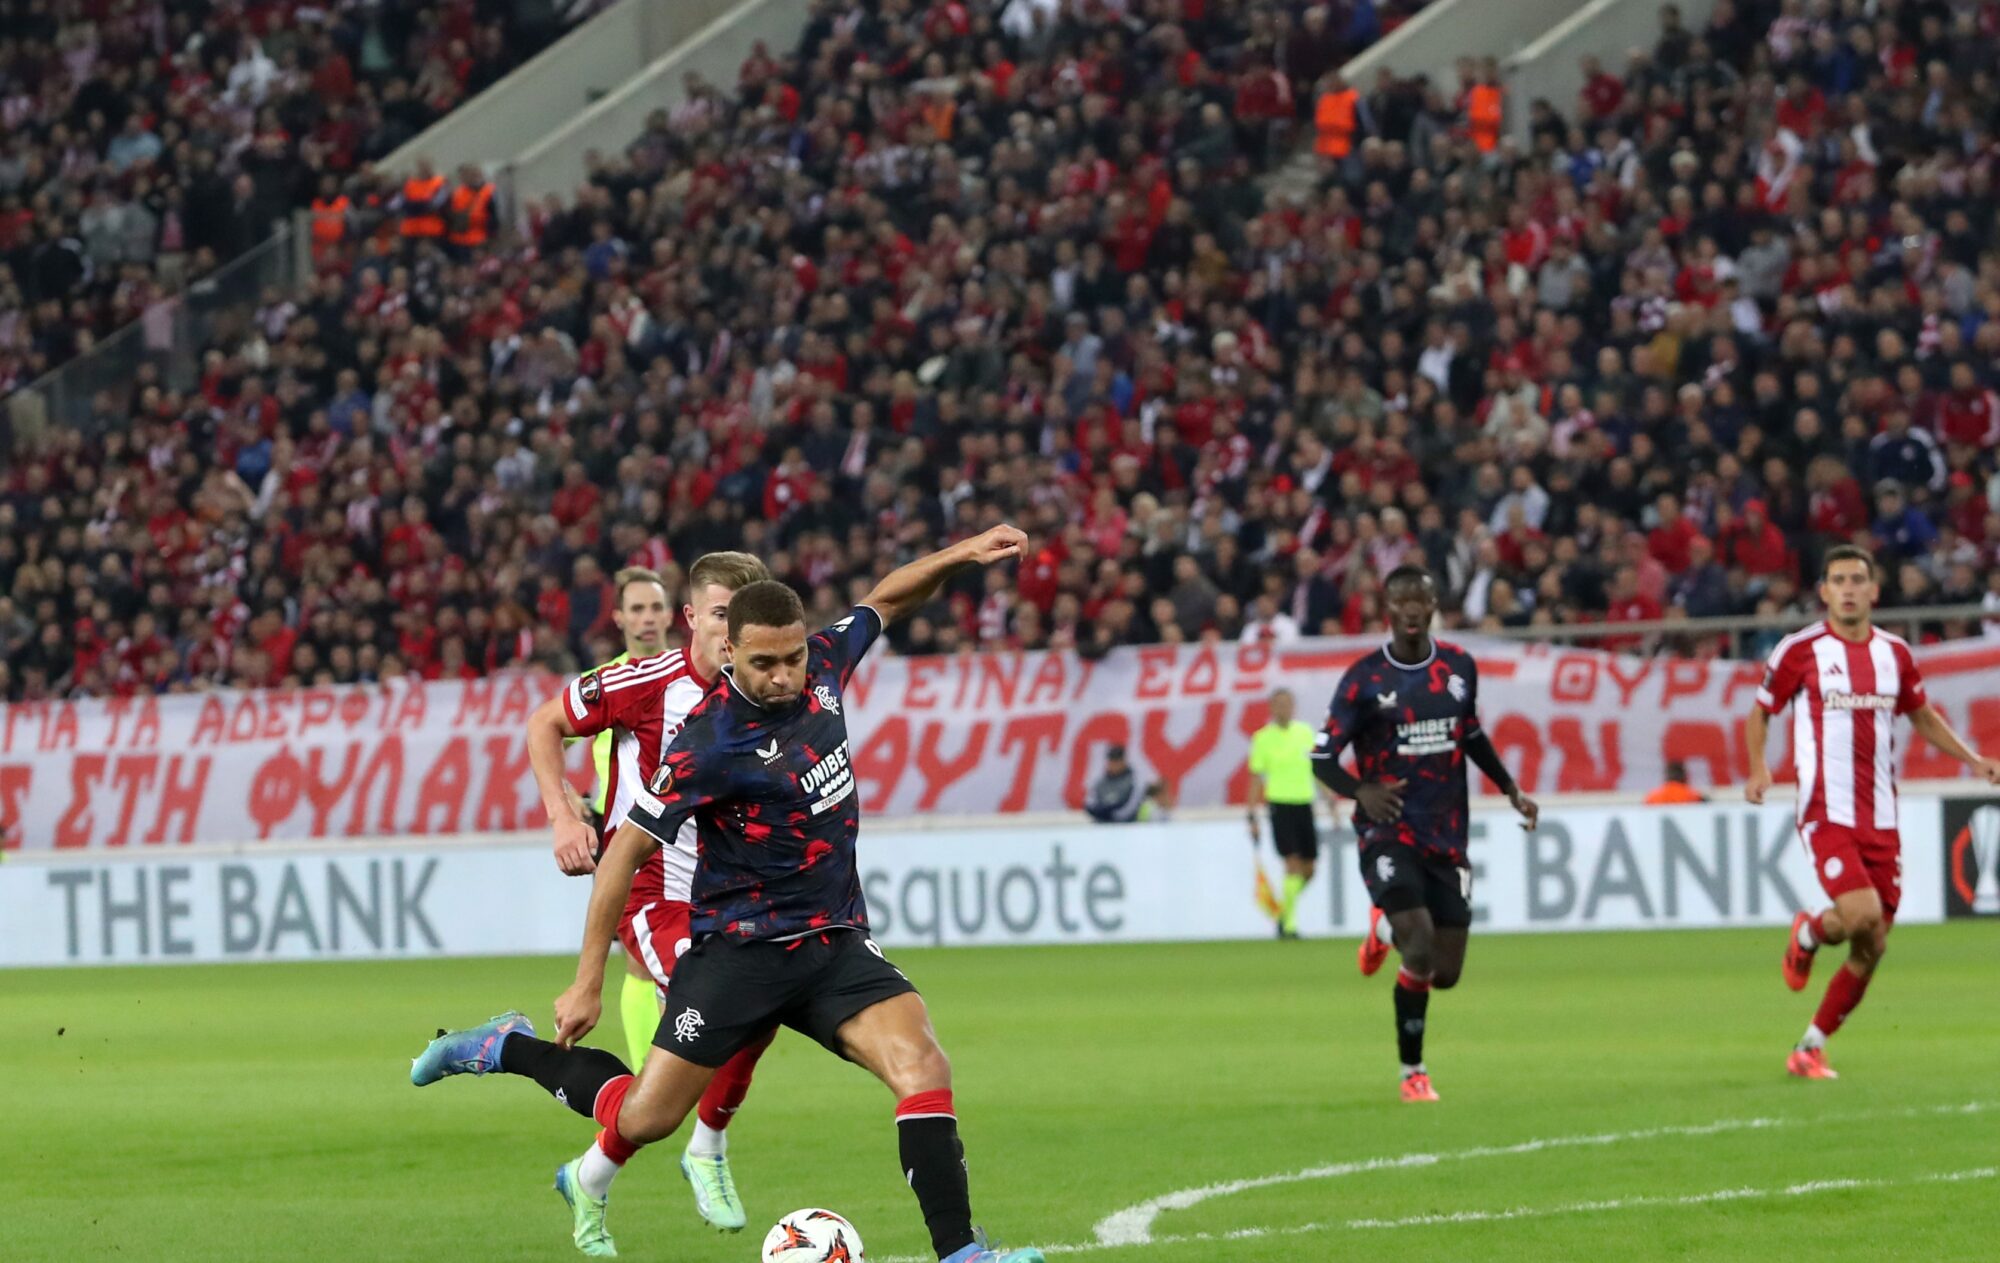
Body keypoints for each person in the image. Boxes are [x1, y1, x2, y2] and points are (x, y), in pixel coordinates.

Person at [414, 527, 1045, 1263]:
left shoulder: (826, 664)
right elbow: (624, 855)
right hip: (738, 955)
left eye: (792, 658)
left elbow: (886, 599)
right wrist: (587, 981)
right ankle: (506, 1047)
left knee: (924, 1066)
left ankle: (962, 1253)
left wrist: (962, 554)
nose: (783, 676)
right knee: (644, 1117)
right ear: (732, 653)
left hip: (832, 941)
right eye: (764, 663)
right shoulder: (707, 743)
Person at [519, 552, 773, 1234]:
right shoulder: (645, 681)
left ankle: (593, 1172)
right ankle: (705, 1149)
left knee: (750, 1017)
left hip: (732, 893)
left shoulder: (765, 690)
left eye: (743, 617)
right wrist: (563, 815)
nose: (732, 631)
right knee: (727, 1008)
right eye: (720, 615)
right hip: (652, 891)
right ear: (691, 618)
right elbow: (544, 724)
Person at [1745, 544, 2000, 1080]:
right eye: (1838, 580)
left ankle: (1810, 1043)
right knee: (1861, 915)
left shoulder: (1895, 654)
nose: (1849, 589)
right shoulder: (1800, 650)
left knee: (1872, 941)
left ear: (1874, 590)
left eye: (1858, 579)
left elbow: (1922, 716)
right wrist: (1759, 768)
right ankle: (1811, 937)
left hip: (1881, 816)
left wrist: (1973, 760)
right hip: (1825, 810)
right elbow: (1761, 712)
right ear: (1824, 592)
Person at [1310, 565, 1538, 1102]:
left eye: (1422, 599)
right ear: (1387, 609)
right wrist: (1360, 790)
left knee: (1445, 971)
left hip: (1446, 834)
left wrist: (1509, 787)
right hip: (1388, 830)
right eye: (1402, 600)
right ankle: (1413, 1072)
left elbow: (1470, 732)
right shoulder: (1364, 679)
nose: (1412, 608)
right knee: (1418, 940)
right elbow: (1321, 757)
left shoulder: (1459, 667)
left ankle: (1382, 931)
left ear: (1434, 607)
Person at [1246, 688, 1325, 939]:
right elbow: (1256, 778)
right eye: (1279, 704)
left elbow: (1315, 768)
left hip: (1304, 803)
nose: (1284, 709)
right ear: (1271, 708)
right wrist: (1251, 814)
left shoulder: (1305, 732)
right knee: (1291, 863)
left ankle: (1283, 911)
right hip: (1280, 805)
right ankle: (1289, 926)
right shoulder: (1262, 738)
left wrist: (1329, 798)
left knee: (1309, 869)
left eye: (1287, 704)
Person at [1084, 744, 1166, 823]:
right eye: (1111, 760)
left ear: (1123, 761)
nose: (1113, 764)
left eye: (1117, 761)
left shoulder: (1134, 779)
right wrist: (1100, 813)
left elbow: (1132, 805)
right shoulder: (1100, 781)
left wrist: (1112, 816)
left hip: (1126, 826)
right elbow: (1089, 804)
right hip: (1102, 825)